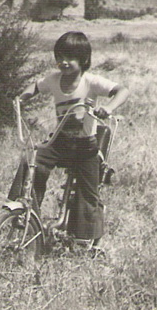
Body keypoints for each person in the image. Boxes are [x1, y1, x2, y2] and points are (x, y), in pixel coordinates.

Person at [7, 31, 130, 247]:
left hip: (85, 146)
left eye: (69, 58)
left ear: (83, 59)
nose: (63, 63)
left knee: (88, 193)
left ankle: (84, 239)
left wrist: (108, 108)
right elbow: (36, 87)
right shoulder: (54, 80)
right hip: (60, 142)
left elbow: (122, 90)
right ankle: (26, 212)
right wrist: (22, 97)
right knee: (32, 159)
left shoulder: (90, 81)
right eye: (59, 57)